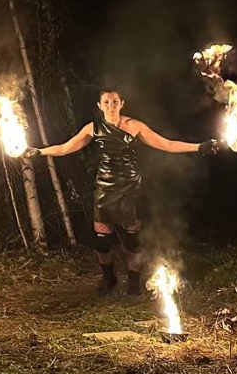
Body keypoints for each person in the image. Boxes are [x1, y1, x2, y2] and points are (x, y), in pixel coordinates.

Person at [24, 89, 220, 296]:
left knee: (133, 241)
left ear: (121, 103)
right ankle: (109, 278)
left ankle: (133, 284)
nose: (111, 106)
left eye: (115, 101)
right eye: (106, 102)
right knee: (102, 241)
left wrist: (200, 147)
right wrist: (39, 151)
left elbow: (167, 144)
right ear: (100, 106)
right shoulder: (93, 128)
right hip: (105, 187)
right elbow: (65, 148)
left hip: (130, 187)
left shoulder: (134, 126)